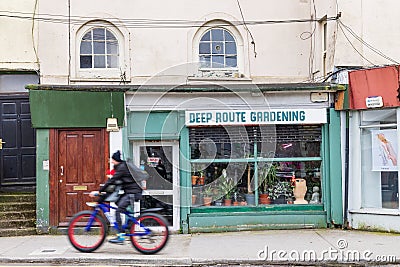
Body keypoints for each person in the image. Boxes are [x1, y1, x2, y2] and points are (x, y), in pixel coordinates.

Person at [90, 150, 143, 244]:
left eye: (112, 160)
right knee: (118, 202)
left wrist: (99, 191)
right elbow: (115, 182)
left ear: (116, 160)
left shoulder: (122, 168)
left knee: (118, 211)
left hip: (132, 192)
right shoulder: (122, 167)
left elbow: (112, 181)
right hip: (131, 192)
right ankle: (129, 224)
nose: (111, 161)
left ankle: (121, 236)